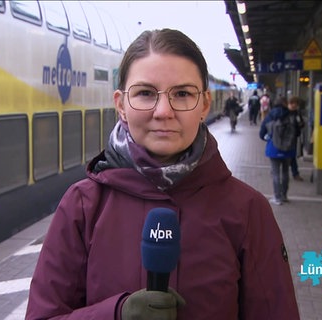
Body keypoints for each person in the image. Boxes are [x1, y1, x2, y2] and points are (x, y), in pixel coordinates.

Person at [26, 28, 299, 320]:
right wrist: (114, 314)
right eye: (145, 93)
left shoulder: (247, 210)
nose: (164, 111)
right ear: (121, 105)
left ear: (204, 105)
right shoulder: (82, 206)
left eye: (182, 94)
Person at [259, 97, 301, 205]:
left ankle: (277, 198)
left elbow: (262, 133)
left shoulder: (270, 116)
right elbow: (297, 132)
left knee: (276, 173)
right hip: (288, 149)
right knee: (286, 172)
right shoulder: (291, 115)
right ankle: (284, 195)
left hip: (274, 148)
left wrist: (267, 137)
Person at [287, 96, 305, 181]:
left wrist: (300, 124)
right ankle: (293, 173)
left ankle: (295, 173)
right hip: (286, 138)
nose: (294, 106)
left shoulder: (297, 113)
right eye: (293, 103)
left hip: (294, 138)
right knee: (287, 157)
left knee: (292, 156)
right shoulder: (285, 112)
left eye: (296, 104)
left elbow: (301, 124)